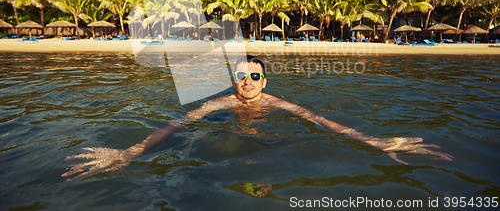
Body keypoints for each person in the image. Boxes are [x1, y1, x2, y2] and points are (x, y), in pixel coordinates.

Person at [62, 55, 453, 180]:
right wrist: (129, 153)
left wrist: (375, 141)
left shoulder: (275, 104)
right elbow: (176, 124)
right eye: (240, 76)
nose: (246, 82)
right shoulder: (221, 104)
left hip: (266, 142)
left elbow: (322, 122)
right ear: (232, 80)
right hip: (225, 137)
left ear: (265, 80)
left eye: (254, 76)